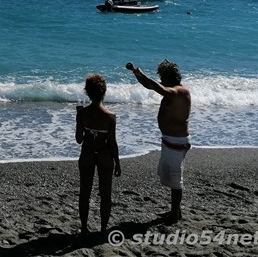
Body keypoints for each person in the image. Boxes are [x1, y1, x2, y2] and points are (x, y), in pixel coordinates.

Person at [125, 60, 191, 224]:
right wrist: (136, 73)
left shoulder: (180, 92)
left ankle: (175, 215)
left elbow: (159, 88)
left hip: (177, 140)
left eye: (162, 76)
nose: (160, 79)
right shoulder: (170, 88)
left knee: (176, 180)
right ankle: (176, 211)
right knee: (170, 176)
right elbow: (150, 86)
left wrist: (143, 75)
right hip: (170, 139)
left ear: (168, 77)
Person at [75, 74, 121, 236]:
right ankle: (103, 229)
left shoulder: (82, 114)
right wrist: (117, 162)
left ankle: (84, 227)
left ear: (87, 92)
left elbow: (79, 139)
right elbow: (112, 143)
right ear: (104, 92)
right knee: (105, 195)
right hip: (105, 156)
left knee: (84, 193)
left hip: (87, 154)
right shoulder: (110, 117)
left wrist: (78, 118)